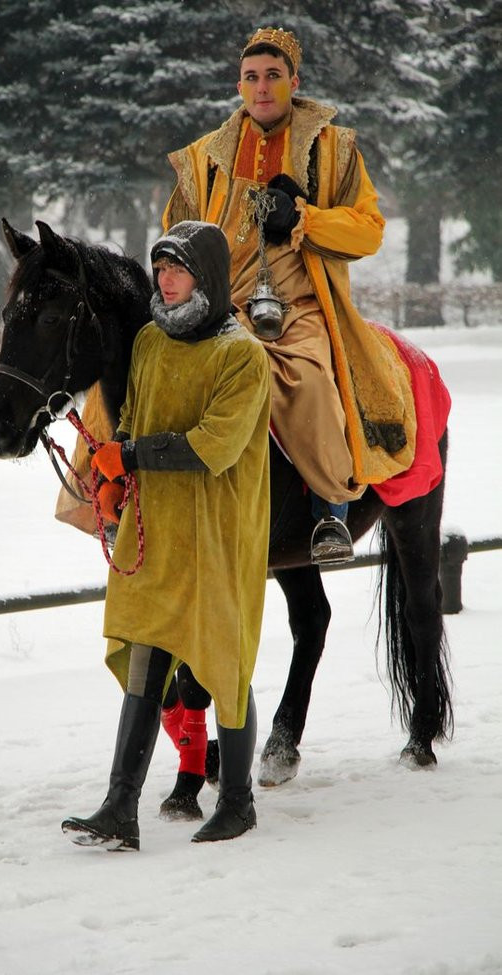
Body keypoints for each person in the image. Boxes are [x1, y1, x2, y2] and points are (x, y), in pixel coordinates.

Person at [163, 26, 417, 564]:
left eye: (273, 76)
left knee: (309, 377)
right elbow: (175, 228)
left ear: (293, 82)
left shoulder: (334, 148)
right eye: (251, 78)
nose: (261, 88)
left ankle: (331, 512)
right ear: (238, 87)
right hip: (217, 304)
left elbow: (368, 230)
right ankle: (118, 499)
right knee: (147, 363)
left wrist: (305, 217)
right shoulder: (205, 156)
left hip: (298, 305)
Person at [61, 220, 271, 850]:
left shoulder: (243, 356)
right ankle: (119, 806)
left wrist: (132, 458)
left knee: (223, 661)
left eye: (177, 268)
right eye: (160, 269)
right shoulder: (149, 342)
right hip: (157, 525)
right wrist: (114, 480)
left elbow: (215, 446)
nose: (166, 279)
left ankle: (237, 801)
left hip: (217, 530)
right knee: (147, 660)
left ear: (205, 275)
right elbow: (139, 422)